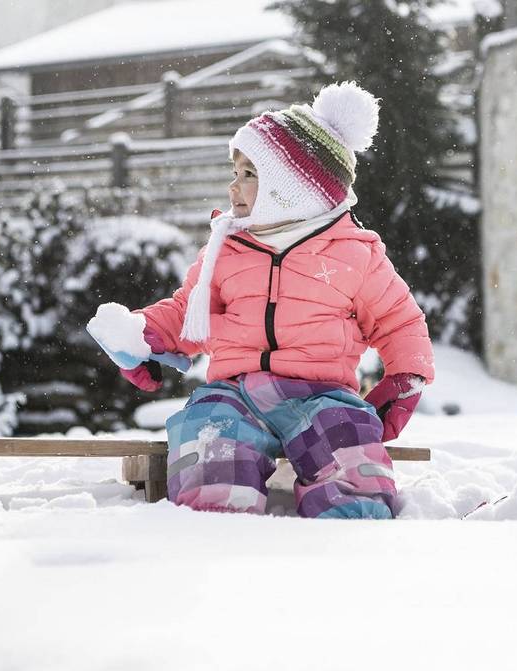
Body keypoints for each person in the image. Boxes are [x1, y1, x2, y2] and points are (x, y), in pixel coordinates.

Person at [120, 82, 433, 518]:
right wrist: (144, 334)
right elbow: (188, 311)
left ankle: (353, 537)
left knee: (350, 448)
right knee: (211, 437)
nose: (233, 186)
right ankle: (214, 528)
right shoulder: (224, 249)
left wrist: (405, 378)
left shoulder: (353, 253)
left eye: (249, 174)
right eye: (235, 172)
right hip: (234, 393)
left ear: (292, 189)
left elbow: (400, 322)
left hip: (322, 397)